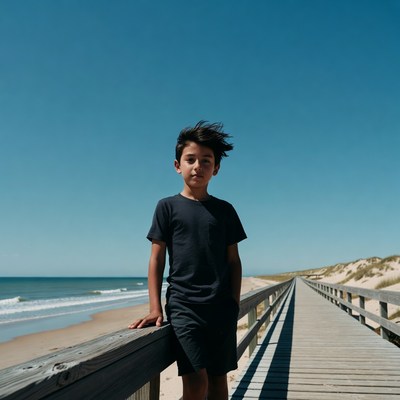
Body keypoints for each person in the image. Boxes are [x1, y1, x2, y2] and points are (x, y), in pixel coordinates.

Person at [129, 121, 247, 400]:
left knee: (219, 383)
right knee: (196, 386)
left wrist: (233, 303)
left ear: (216, 168)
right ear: (177, 165)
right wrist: (155, 307)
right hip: (185, 308)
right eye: (190, 159)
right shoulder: (167, 207)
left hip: (221, 308)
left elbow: (234, 262)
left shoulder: (225, 210)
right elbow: (156, 259)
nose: (198, 166)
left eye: (206, 161)